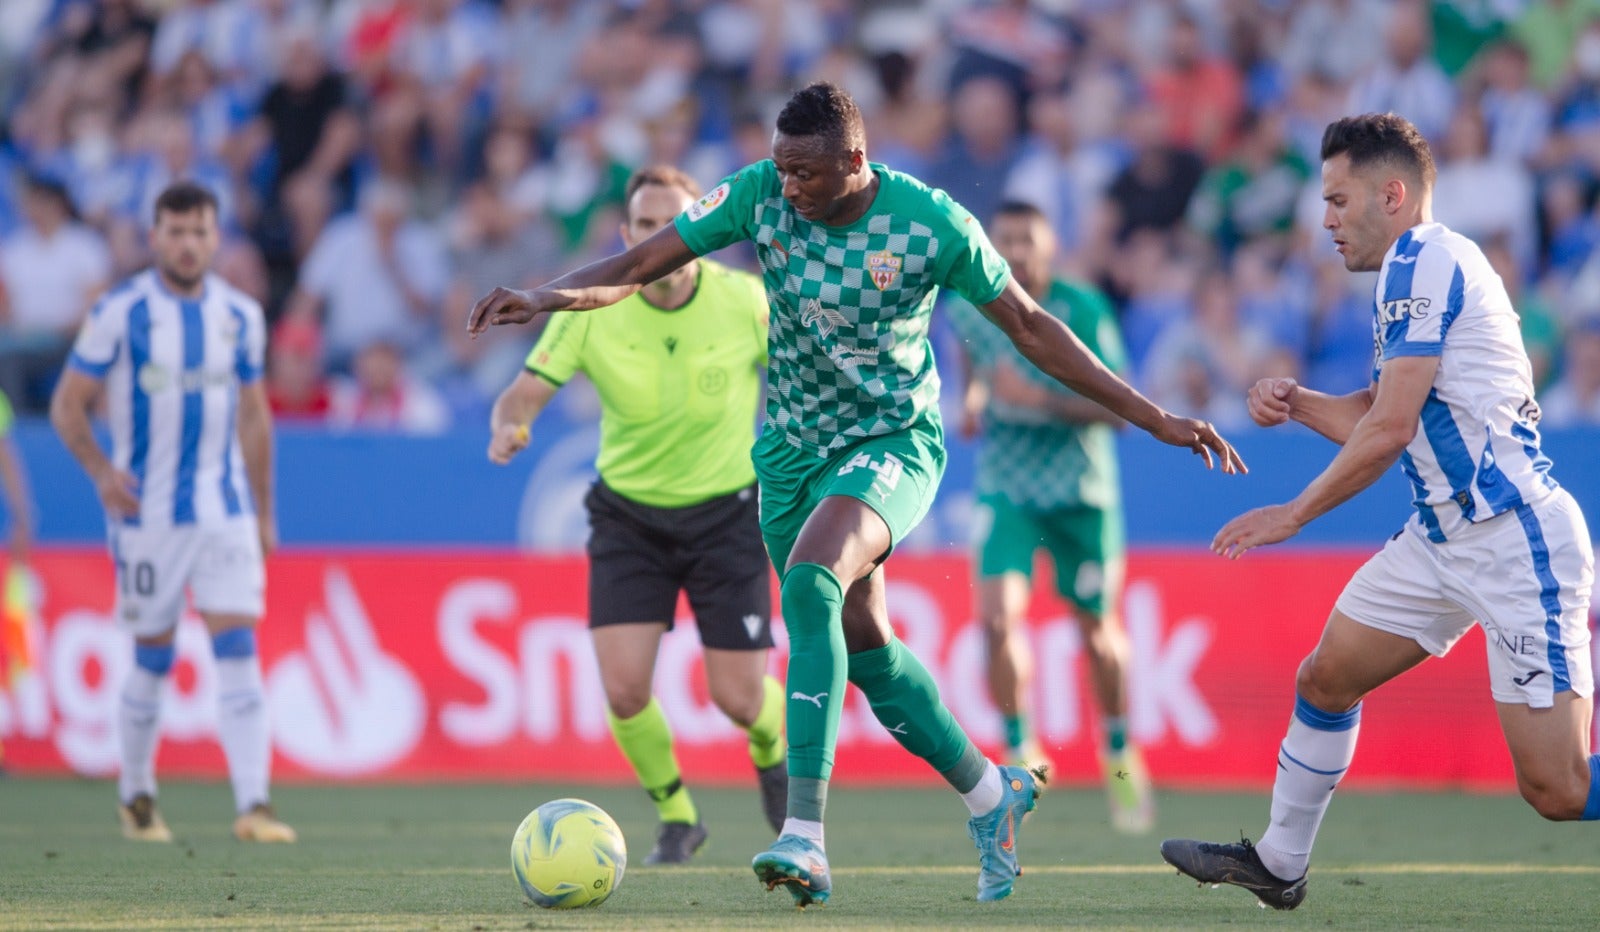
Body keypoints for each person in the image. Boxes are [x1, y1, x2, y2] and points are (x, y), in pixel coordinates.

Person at [469, 82, 1243, 907]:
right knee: (865, 647)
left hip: (892, 443)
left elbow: (1031, 327)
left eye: (805, 173)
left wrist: (1154, 415)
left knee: (810, 581)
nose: (789, 186)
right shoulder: (760, 195)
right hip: (792, 456)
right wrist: (545, 294)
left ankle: (803, 835)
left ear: (855, 162)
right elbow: (637, 264)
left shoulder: (931, 223)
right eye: (781, 168)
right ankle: (992, 793)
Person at [1162, 113, 1597, 910]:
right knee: (1326, 679)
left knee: (1559, 789)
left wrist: (1291, 514)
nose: (1324, 221)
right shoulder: (1413, 266)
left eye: (1337, 200)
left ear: (1392, 194)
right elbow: (1382, 409)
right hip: (1439, 540)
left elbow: (1390, 432)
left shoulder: (1426, 262)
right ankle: (1279, 862)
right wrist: (1298, 404)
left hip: (1514, 539)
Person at [488, 166, 787, 863]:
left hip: (727, 515)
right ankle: (678, 816)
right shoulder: (593, 309)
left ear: (699, 235)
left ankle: (772, 752)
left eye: (673, 225)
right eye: (646, 227)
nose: (660, 239)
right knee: (624, 691)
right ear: (626, 238)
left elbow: (808, 377)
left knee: (741, 701)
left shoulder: (747, 301)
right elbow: (523, 392)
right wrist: (510, 425)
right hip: (629, 519)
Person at [49, 181, 295, 845]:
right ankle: (136, 795)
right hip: (147, 514)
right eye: (176, 232)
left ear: (217, 239)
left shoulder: (241, 314)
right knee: (153, 657)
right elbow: (67, 404)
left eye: (199, 232)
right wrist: (101, 473)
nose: (188, 244)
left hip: (226, 510)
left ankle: (255, 805)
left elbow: (253, 416)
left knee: (238, 646)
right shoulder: (120, 311)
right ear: (155, 237)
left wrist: (265, 512)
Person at [947, 200, 1153, 835]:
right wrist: (977, 402)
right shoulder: (968, 306)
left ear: (1050, 246)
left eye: (1026, 241)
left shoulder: (1082, 310)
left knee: (1097, 632)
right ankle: (1021, 752)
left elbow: (1121, 410)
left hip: (1079, 494)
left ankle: (1119, 758)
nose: (1014, 252)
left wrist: (1033, 397)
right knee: (996, 618)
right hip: (1007, 488)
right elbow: (973, 366)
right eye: (1003, 239)